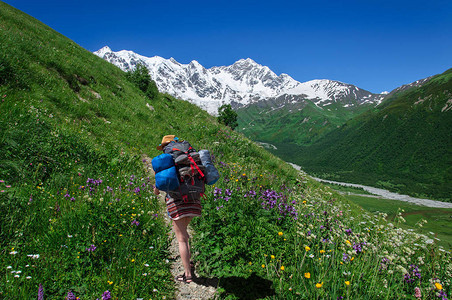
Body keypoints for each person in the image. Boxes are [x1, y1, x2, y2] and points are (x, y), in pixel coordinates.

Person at [153, 135, 203, 284]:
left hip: (177, 203)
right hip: (195, 200)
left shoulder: (165, 161)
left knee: (181, 239)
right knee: (185, 233)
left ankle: (187, 275)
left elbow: (158, 188)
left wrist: (156, 189)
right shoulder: (187, 156)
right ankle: (189, 262)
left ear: (165, 147)